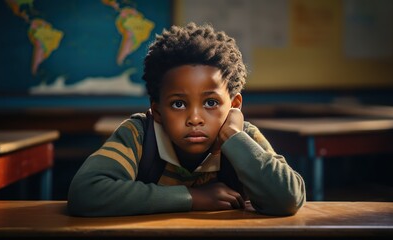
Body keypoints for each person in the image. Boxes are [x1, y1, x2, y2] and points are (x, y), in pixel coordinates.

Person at [67, 22, 306, 217]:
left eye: (211, 103)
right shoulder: (139, 135)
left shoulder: (242, 137)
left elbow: (288, 199)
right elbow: (85, 193)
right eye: (178, 104)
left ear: (234, 106)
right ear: (157, 111)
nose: (194, 118)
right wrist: (193, 197)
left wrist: (234, 137)